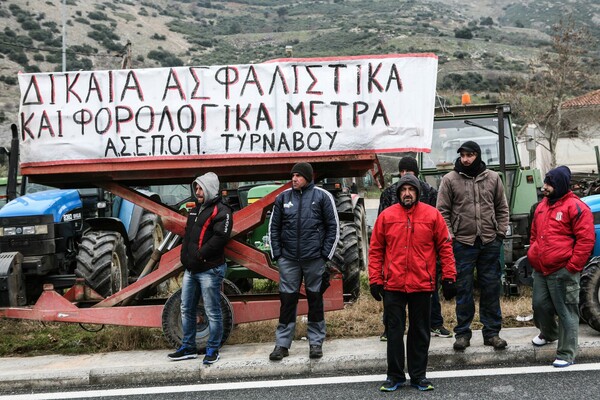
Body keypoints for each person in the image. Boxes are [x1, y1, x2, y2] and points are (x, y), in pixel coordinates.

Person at [369, 174, 457, 392]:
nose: (407, 193)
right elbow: (376, 250)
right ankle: (394, 376)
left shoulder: (432, 215)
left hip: (422, 284)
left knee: (420, 332)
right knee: (394, 331)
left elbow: (445, 247)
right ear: (398, 193)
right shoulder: (387, 216)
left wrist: (449, 277)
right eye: (403, 190)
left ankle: (419, 376)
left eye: (411, 189)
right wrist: (375, 279)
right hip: (393, 285)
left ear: (417, 192)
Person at [436, 140, 510, 351]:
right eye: (463, 155)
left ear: (477, 155)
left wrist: (500, 233)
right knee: (464, 290)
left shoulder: (493, 178)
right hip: (463, 243)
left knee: (491, 288)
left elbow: (502, 208)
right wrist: (451, 237)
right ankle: (462, 334)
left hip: (489, 242)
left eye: (469, 155)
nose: (465, 159)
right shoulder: (449, 179)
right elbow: (442, 211)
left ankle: (492, 333)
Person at [268, 162, 340, 361]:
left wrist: (324, 255)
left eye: (298, 175)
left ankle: (315, 342)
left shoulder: (323, 197)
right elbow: (273, 228)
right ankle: (282, 344)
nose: (294, 179)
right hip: (289, 260)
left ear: (308, 177)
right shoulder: (282, 198)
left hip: (314, 259)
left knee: (315, 300)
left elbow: (333, 227)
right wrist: (278, 256)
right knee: (287, 302)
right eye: (293, 175)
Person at [377, 156, 452, 341]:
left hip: (424, 253)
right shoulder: (389, 193)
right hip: (397, 254)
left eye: (410, 172)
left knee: (429, 292)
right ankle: (390, 329)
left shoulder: (430, 192)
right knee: (393, 299)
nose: (406, 176)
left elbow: (439, 222)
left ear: (416, 174)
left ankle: (435, 323)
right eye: (403, 172)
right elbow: (381, 226)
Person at [528, 165, 594, 367]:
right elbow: (534, 234)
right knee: (539, 305)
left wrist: (572, 266)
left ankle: (566, 354)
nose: (544, 187)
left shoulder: (577, 207)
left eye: (549, 184)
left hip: (563, 269)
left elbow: (586, 240)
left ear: (561, 185)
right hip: (541, 269)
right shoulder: (542, 206)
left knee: (566, 311)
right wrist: (533, 252)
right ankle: (549, 333)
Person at [168, 172, 233, 364]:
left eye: (201, 188)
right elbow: (188, 236)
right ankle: (188, 347)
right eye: (196, 188)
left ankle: (213, 349)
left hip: (210, 270)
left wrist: (200, 255)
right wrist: (185, 258)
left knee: (213, 311)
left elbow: (221, 238)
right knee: (186, 307)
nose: (197, 191)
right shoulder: (195, 210)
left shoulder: (222, 211)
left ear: (210, 189)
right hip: (191, 270)